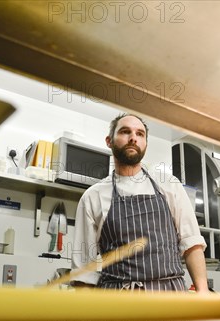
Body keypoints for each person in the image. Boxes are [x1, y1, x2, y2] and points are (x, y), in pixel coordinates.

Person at [70, 113, 208, 292]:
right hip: (117, 300)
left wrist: (203, 291)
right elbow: (84, 270)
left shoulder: (169, 184)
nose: (133, 138)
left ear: (145, 144)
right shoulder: (93, 196)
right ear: (109, 141)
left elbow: (192, 243)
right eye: (125, 132)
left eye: (140, 134)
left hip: (169, 295)